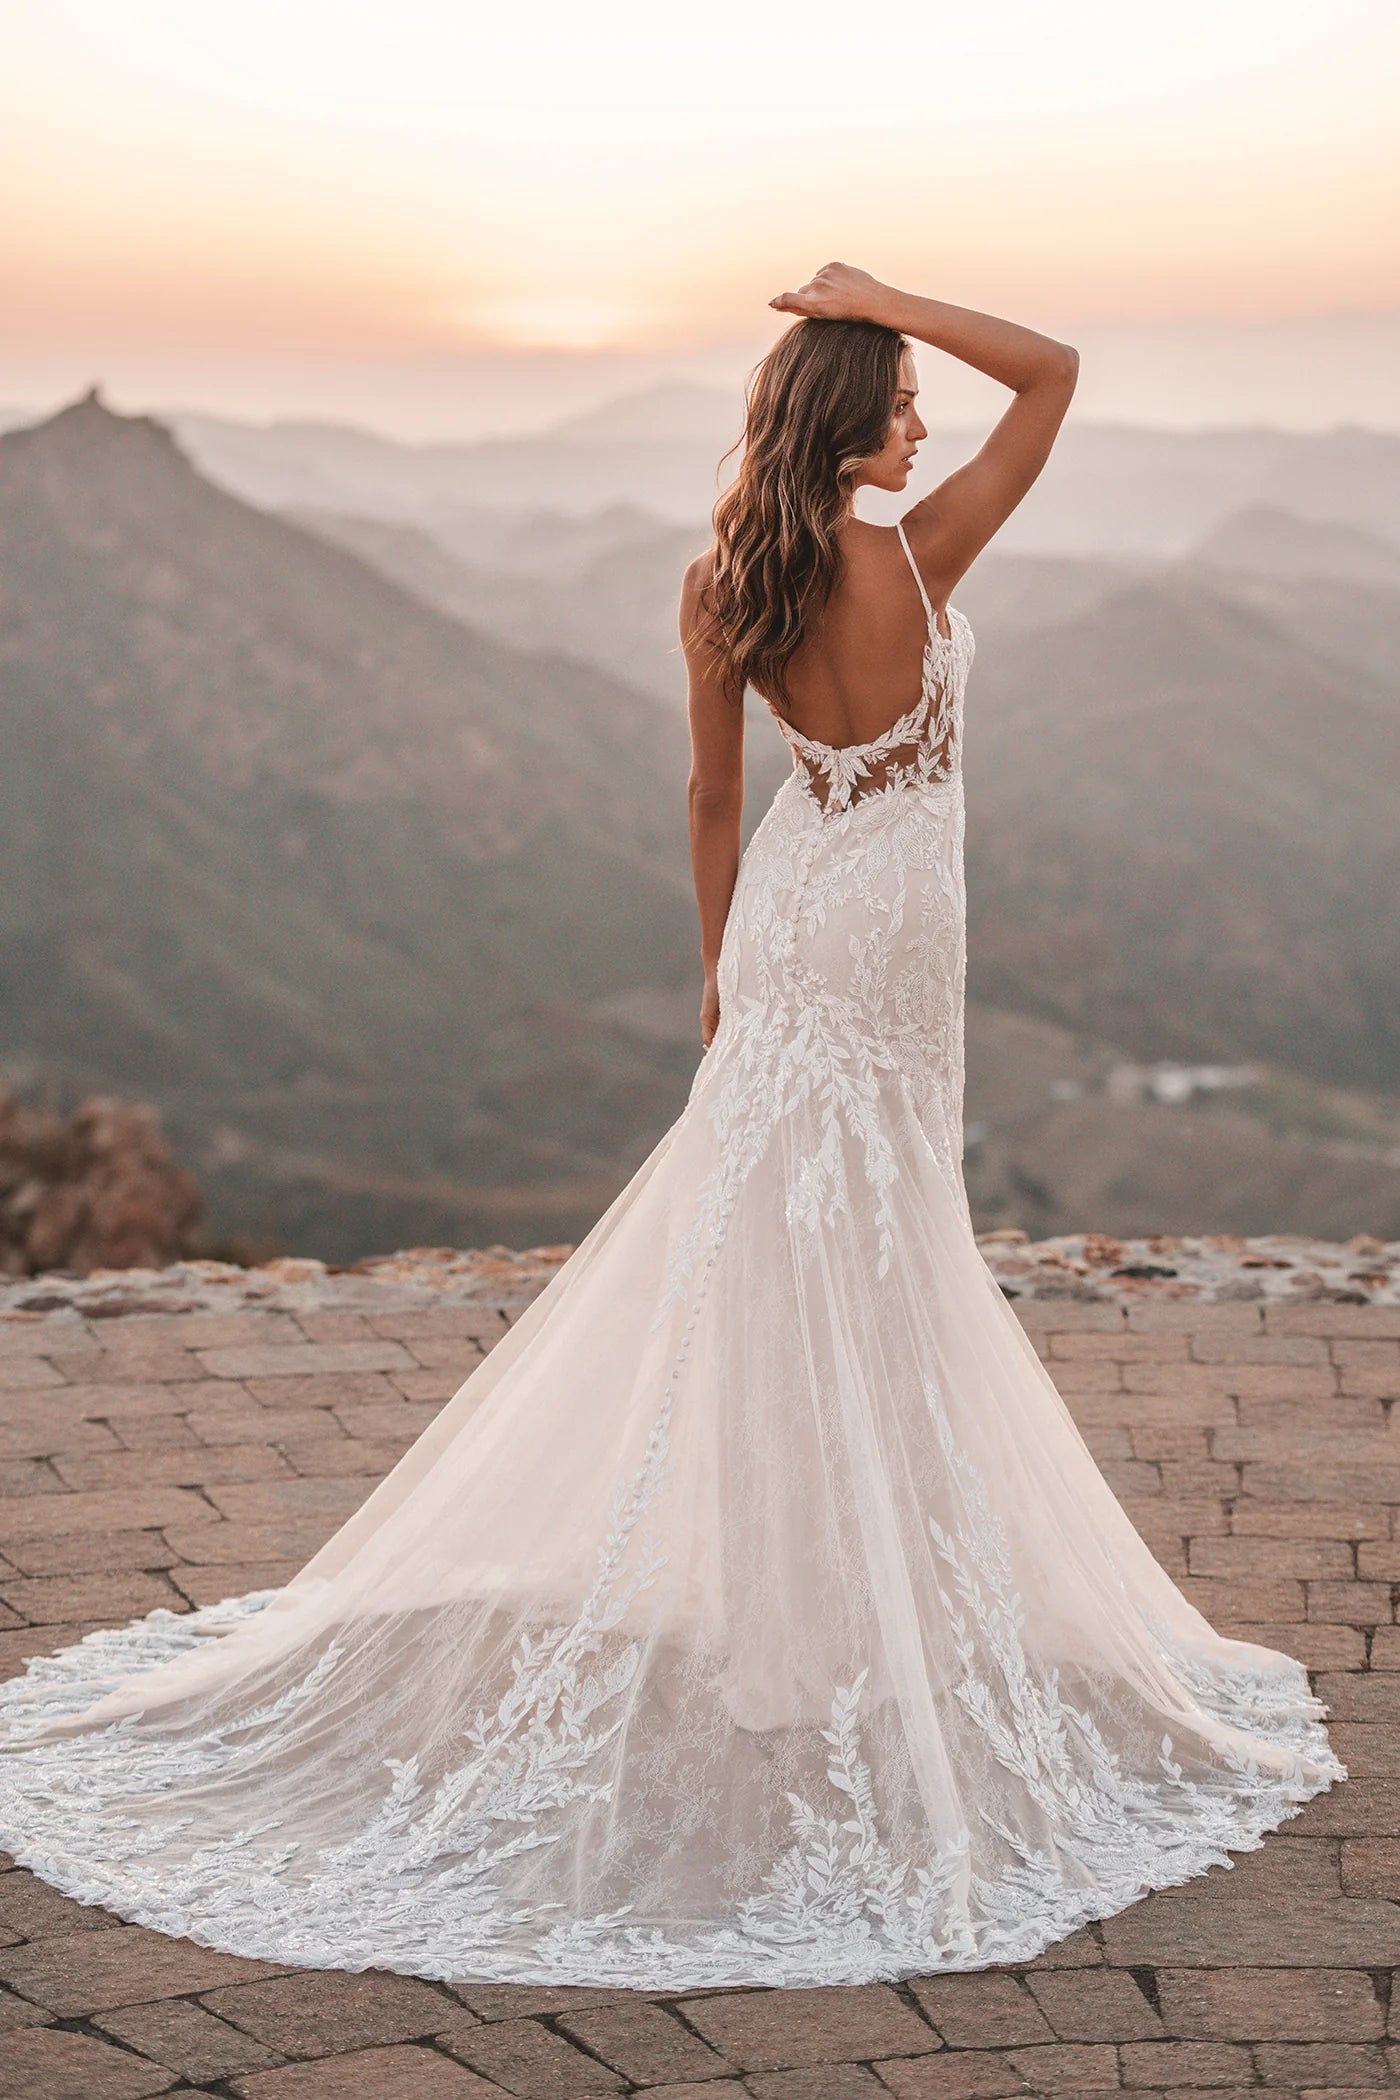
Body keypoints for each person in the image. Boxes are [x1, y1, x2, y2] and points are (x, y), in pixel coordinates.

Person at [0, 266, 1342, 1991]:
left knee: (774, 1243)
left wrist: (717, 973)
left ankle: (794, 1620)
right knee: (881, 1243)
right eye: (904, 395)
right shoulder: (919, 557)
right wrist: (894, 291)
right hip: (897, 923)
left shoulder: (724, 582)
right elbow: (1061, 372)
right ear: (851, 418)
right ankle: (850, 1618)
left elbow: (715, 794)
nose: (926, 420)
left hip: (795, 915)